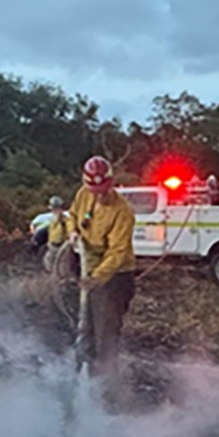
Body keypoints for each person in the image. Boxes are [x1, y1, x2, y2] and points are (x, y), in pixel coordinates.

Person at [68, 156, 136, 376]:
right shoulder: (83, 194)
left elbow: (117, 252)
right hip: (88, 268)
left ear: (111, 183)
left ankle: (106, 382)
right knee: (84, 326)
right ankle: (83, 372)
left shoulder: (122, 211)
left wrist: (96, 277)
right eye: (94, 191)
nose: (99, 195)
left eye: (103, 190)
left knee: (105, 333)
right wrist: (72, 231)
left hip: (115, 277)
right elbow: (73, 215)